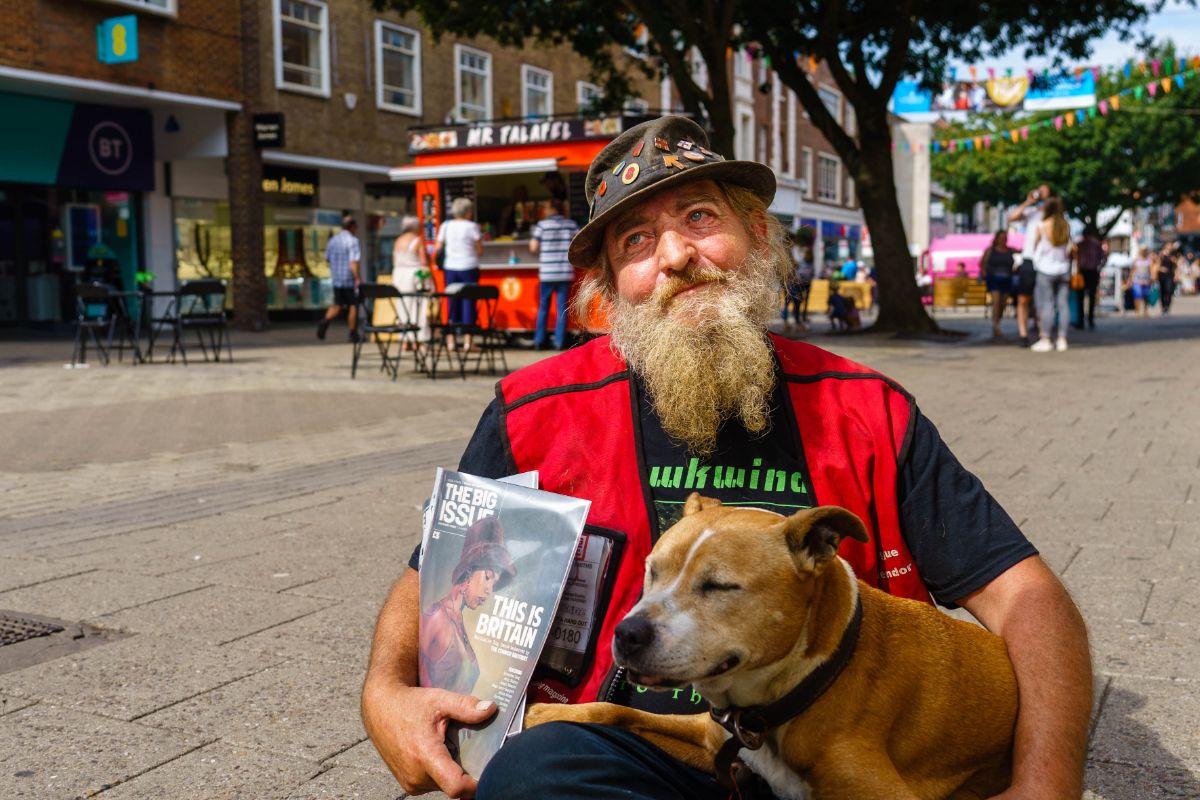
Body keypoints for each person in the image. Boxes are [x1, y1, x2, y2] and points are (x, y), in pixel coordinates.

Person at [361, 116, 1092, 800]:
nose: (677, 255)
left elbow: (1028, 599)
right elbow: (435, 570)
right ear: (610, 293)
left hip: (836, 747)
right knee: (534, 773)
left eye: (700, 219)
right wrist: (386, 690)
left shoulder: (868, 411)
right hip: (645, 752)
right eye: (636, 242)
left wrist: (1045, 784)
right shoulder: (535, 412)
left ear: (758, 237)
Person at [419, 517, 516, 696]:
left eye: (494, 584)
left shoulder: (458, 617)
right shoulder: (437, 616)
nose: (489, 590)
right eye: (488, 577)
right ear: (469, 570)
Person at [529, 197, 581, 351]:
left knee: (543, 308)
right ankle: (559, 342)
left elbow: (533, 247)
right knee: (561, 309)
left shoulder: (542, 225)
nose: (543, 211)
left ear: (552, 209)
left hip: (547, 273)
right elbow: (579, 242)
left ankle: (539, 341)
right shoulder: (570, 224)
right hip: (564, 272)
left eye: (545, 208)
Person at [1027, 196, 1075, 353]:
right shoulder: (1065, 226)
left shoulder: (1042, 225)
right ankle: (1062, 339)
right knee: (1063, 304)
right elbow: (1070, 248)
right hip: (1063, 268)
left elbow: (1035, 247)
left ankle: (1046, 338)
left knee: (1047, 304)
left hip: (1045, 269)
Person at [436, 197, 484, 351]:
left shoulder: (445, 226)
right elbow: (479, 250)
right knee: (468, 302)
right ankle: (468, 342)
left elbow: (437, 248)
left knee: (452, 301)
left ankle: (450, 341)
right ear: (468, 211)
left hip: (450, 267)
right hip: (469, 266)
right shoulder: (472, 227)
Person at [1007, 184, 1050, 346]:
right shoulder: (1031, 213)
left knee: (1043, 300)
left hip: (1045, 262)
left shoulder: (1053, 214)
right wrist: (1028, 201)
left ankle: (1042, 332)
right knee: (1024, 298)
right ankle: (1023, 334)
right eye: (1040, 190)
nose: (1042, 193)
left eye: (1045, 191)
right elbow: (1011, 217)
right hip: (1029, 260)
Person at [317, 215, 361, 342]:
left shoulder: (333, 240)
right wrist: (358, 278)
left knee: (338, 304)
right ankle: (353, 333)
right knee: (354, 305)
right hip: (349, 279)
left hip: (337, 279)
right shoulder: (352, 241)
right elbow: (354, 262)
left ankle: (325, 321)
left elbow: (327, 258)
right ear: (352, 227)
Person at [390, 214, 431, 348]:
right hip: (415, 273)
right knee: (419, 306)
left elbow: (394, 260)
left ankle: (405, 338)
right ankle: (418, 339)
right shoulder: (417, 240)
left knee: (402, 306)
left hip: (399, 275)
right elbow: (424, 261)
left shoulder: (398, 240)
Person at [980, 231, 1016, 337]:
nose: (1003, 239)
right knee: (996, 302)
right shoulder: (990, 250)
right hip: (994, 278)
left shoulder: (1010, 250)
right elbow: (982, 263)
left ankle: (997, 321)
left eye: (1005, 237)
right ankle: (996, 325)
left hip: (1007, 279)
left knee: (1003, 304)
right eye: (1001, 237)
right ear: (997, 238)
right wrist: (984, 274)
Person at [1075, 223, 1106, 330]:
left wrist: (1099, 267)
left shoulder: (1090, 244)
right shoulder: (1083, 244)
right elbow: (1103, 257)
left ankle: (1087, 320)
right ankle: (1085, 320)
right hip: (1086, 271)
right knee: (1083, 297)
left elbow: (1103, 257)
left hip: (1090, 271)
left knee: (1088, 297)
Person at [1126, 245, 1153, 318]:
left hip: (1146, 280)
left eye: (1145, 250)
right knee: (1137, 296)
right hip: (1137, 280)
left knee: (1146, 296)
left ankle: (1145, 311)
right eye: (1143, 250)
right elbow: (1132, 271)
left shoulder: (1149, 259)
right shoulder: (1136, 260)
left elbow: (1150, 270)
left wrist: (1152, 278)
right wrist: (1129, 280)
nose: (1144, 252)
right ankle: (1137, 312)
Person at [1154, 244, 1178, 315]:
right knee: (1162, 291)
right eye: (1169, 246)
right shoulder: (1161, 255)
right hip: (1161, 275)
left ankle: (1167, 306)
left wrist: (1174, 260)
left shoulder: (1173, 255)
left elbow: (1176, 266)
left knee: (1169, 291)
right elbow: (1156, 264)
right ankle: (1163, 307)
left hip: (1170, 275)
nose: (1170, 247)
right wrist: (1160, 269)